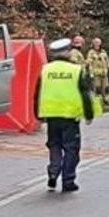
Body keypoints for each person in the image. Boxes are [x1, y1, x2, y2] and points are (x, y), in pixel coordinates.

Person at [33, 38, 94, 193]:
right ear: (67, 52)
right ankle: (68, 180)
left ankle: (53, 170)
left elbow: (37, 93)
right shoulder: (76, 70)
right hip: (69, 115)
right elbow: (85, 93)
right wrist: (89, 113)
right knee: (71, 148)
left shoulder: (45, 70)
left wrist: (38, 113)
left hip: (51, 114)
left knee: (54, 145)